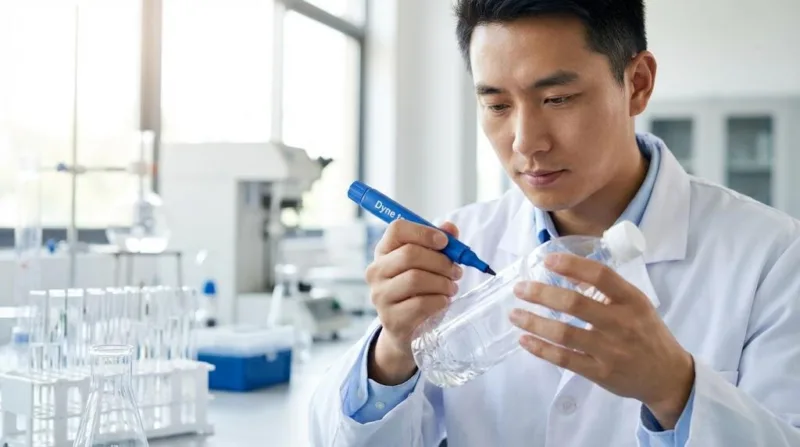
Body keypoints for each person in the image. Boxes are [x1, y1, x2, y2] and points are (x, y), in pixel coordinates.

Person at [308, 0, 800, 445]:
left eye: (557, 99)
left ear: (638, 84)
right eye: (497, 104)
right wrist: (392, 354)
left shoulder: (774, 258)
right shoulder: (454, 243)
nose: (525, 142)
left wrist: (674, 389)